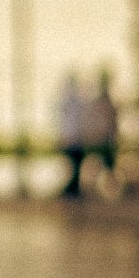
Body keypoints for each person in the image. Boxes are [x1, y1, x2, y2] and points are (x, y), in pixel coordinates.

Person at [55, 70, 91, 199]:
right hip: (73, 138)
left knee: (75, 166)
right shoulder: (72, 102)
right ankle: (71, 189)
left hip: (75, 138)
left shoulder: (75, 102)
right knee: (73, 166)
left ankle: (72, 189)